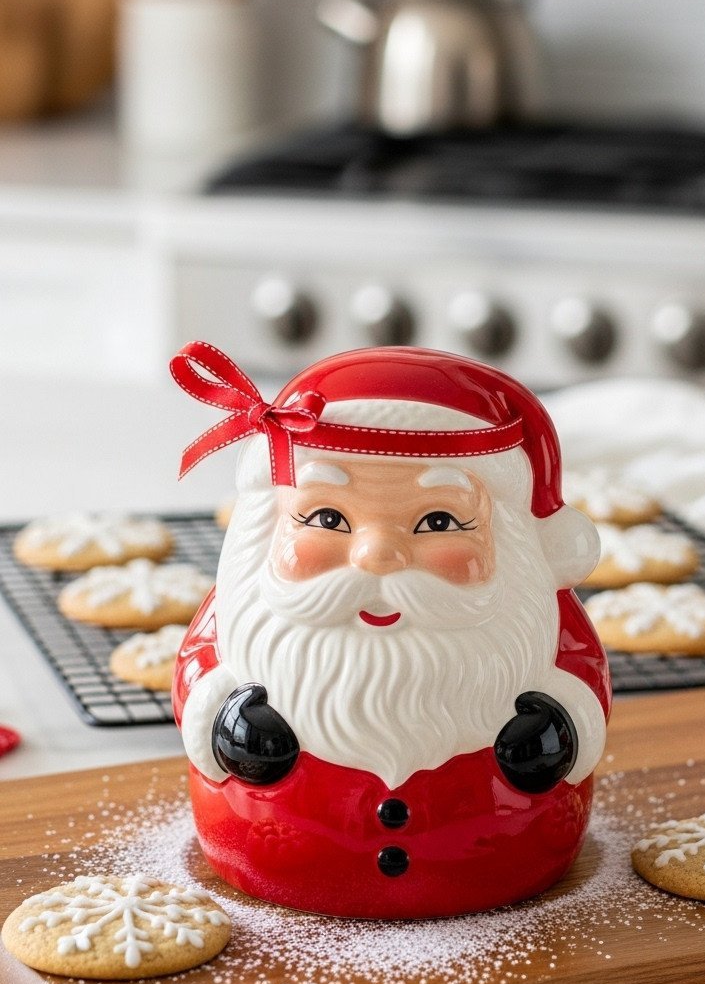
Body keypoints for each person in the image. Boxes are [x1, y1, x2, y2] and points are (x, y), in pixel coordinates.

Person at [171, 341, 610, 919]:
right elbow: (200, 662)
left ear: (511, 541)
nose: (378, 554)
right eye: (328, 519)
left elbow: (581, 671)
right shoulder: (245, 601)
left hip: (507, 851)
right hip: (272, 848)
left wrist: (562, 723)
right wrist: (219, 708)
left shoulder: (532, 614)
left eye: (438, 521)